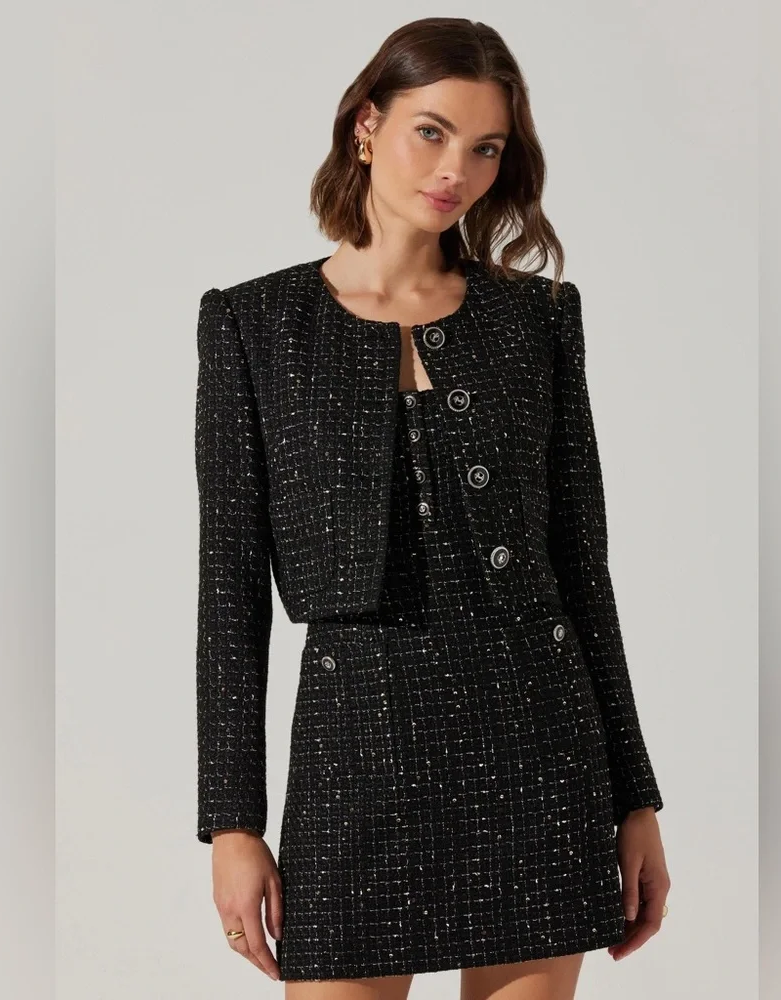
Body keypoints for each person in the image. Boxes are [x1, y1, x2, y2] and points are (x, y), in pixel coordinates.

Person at [194, 16, 670, 997]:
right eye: (432, 131)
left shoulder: (536, 318)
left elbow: (582, 567)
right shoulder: (255, 324)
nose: (457, 169)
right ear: (366, 126)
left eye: (486, 147)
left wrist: (636, 798)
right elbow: (229, 589)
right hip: (356, 754)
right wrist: (233, 824)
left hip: (538, 750)